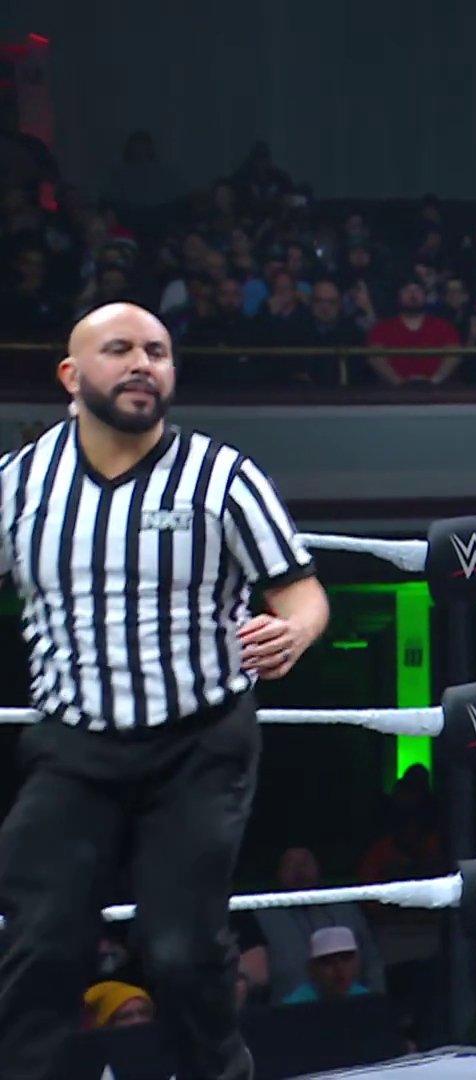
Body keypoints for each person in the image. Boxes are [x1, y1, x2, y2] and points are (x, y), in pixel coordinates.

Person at [0, 302, 329, 1080]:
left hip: (198, 743)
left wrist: (295, 632)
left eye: (157, 351)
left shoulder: (223, 476)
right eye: (119, 349)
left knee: (182, 951)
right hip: (72, 743)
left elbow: (302, 593)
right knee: (41, 939)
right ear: (71, 376)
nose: (142, 364)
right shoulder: (19, 485)